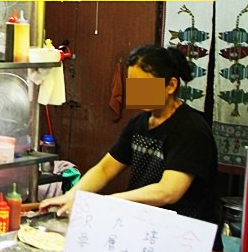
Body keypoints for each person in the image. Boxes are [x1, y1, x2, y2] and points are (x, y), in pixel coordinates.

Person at [39, 44, 219, 225]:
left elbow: (168, 191)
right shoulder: (139, 123)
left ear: (171, 85)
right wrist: (71, 196)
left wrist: (109, 202)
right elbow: (105, 169)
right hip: (146, 227)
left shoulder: (191, 129)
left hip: (187, 234)